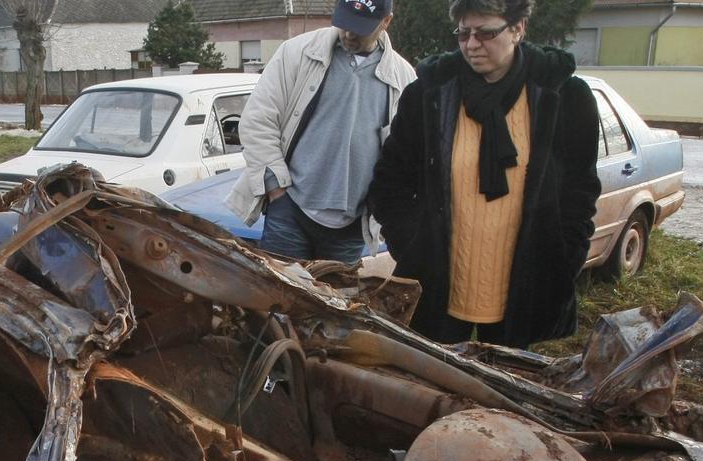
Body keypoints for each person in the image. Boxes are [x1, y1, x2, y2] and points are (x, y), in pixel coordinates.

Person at [369, 0, 601, 347]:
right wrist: (415, 247)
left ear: (518, 28)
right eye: (463, 34)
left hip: (525, 287)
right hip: (441, 285)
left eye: (486, 33)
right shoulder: (429, 96)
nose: (472, 45)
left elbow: (579, 193)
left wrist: (563, 260)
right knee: (439, 391)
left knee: (506, 393)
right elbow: (390, 183)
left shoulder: (565, 97)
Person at [227, 0, 416, 264]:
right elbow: (257, 121)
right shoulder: (296, 53)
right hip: (290, 212)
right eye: (345, 23)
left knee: (334, 305)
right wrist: (275, 190)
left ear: (386, 22)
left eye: (360, 28)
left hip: (350, 229)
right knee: (280, 301)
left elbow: (405, 157)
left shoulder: (403, 79)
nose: (349, 34)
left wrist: (378, 209)